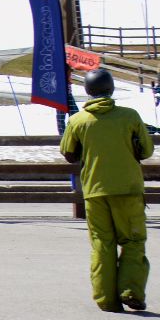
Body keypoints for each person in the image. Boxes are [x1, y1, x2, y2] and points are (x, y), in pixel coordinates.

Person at [62, 68, 154, 312]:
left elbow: (69, 154)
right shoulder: (130, 116)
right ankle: (131, 291)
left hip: (95, 191)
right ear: (111, 89)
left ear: (87, 91)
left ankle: (107, 300)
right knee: (133, 241)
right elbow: (145, 151)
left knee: (102, 243)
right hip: (128, 190)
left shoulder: (77, 120)